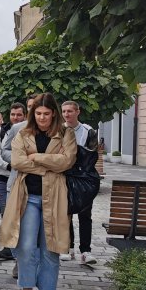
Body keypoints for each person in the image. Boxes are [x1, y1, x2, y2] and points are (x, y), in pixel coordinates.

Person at [0, 93, 76, 290]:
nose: (42, 117)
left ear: (54, 113)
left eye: (46, 113)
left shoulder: (66, 133)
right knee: (25, 247)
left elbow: (67, 161)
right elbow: (17, 162)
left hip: (55, 198)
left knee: (50, 248)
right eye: (38, 113)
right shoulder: (23, 133)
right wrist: (49, 164)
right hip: (28, 197)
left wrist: (37, 157)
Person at [61, 100, 98, 265]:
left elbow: (92, 156)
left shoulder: (88, 131)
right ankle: (68, 248)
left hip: (83, 178)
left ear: (77, 112)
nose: (67, 114)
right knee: (65, 212)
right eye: (64, 111)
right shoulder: (59, 130)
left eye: (70, 111)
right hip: (65, 175)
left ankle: (86, 250)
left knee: (85, 214)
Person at [0, 103, 27, 251]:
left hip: (19, 177)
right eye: (13, 114)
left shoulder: (27, 130)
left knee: (19, 214)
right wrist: (9, 165)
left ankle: (14, 248)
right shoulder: (1, 131)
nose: (15, 117)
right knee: (6, 212)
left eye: (19, 114)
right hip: (2, 176)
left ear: (24, 115)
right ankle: (8, 247)